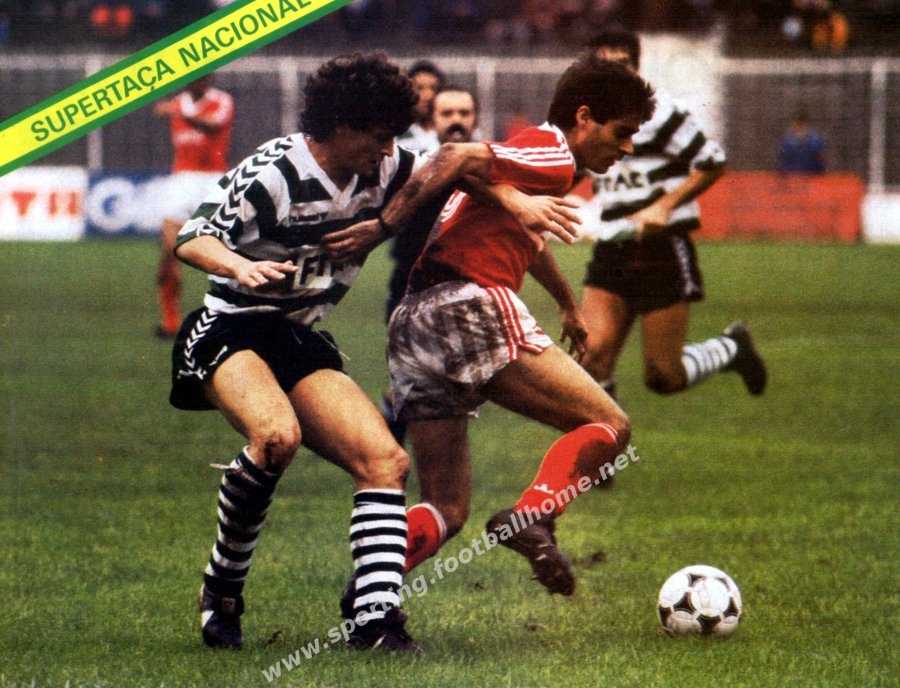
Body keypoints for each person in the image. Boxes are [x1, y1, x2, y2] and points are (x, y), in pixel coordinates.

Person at [323, 54, 656, 596]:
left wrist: (567, 305)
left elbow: (527, 234)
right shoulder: (553, 154)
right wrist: (383, 226)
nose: (628, 148)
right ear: (584, 118)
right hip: (467, 302)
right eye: (622, 132)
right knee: (609, 426)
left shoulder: (534, 156)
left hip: (414, 320)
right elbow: (453, 155)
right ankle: (532, 517)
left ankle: (371, 594)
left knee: (446, 507)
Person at [169, 53, 428, 653]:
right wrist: (239, 265)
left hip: (297, 336)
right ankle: (222, 589)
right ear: (339, 125)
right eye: (378, 135)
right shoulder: (277, 172)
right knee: (276, 438)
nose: (388, 150)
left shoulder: (387, 166)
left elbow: (453, 170)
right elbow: (193, 237)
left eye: (393, 136)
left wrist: (518, 204)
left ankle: (375, 624)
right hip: (230, 327)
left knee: (385, 461)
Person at [574, 27, 766, 403]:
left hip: (660, 247)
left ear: (636, 68)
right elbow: (572, 170)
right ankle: (607, 440)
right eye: (604, 67)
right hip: (611, 248)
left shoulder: (659, 113)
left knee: (663, 375)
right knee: (591, 359)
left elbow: (713, 162)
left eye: (623, 65)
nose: (615, 75)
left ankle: (732, 348)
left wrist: (664, 205)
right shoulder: (585, 122)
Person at [381, 84, 481, 443]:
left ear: (476, 118)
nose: (456, 121)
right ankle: (385, 452)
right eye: (447, 113)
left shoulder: (491, 165)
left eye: (464, 113)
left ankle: (390, 440)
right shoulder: (413, 165)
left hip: (469, 290)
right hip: (413, 287)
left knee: (449, 389)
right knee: (420, 386)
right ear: (432, 119)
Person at [153, 73, 234, 338]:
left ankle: (230, 317)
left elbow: (213, 125)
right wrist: (178, 110)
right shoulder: (179, 102)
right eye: (194, 78)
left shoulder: (221, 101)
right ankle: (170, 321)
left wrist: (179, 113)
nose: (198, 82)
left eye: (203, 77)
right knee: (169, 249)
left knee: (228, 251)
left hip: (213, 181)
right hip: (183, 179)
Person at [395, 60, 446, 155]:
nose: (428, 96)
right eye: (420, 88)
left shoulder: (448, 129)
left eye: (433, 88)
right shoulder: (398, 132)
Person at [778, 109, 827, 174]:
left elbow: (821, 158)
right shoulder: (787, 139)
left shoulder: (815, 139)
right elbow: (783, 159)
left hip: (811, 175)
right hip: (792, 175)